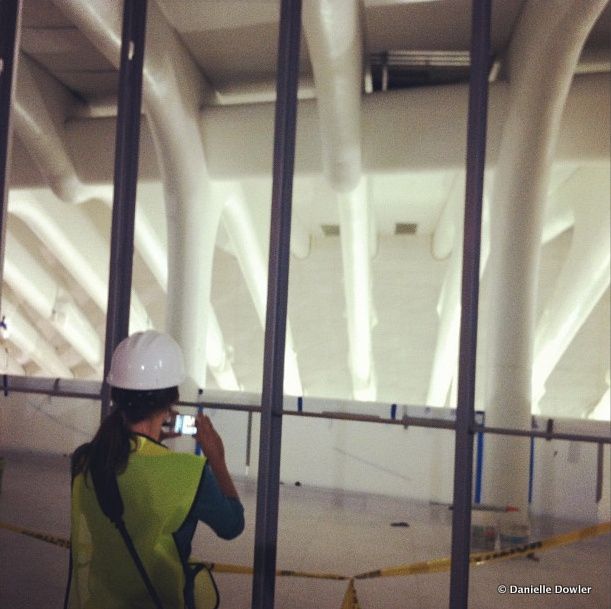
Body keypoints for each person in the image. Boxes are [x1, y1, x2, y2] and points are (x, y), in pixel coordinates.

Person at [64, 330, 244, 609]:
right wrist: (217, 459)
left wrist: (150, 442)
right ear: (171, 399)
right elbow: (232, 525)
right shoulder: (188, 472)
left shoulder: (86, 460)